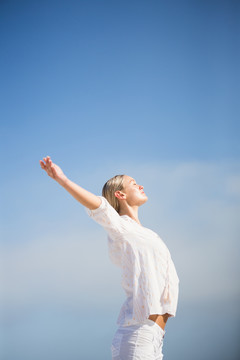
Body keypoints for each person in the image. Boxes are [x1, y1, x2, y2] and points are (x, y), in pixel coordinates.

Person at [39, 155, 179, 360]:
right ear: (120, 194)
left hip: (155, 337)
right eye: (133, 183)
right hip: (138, 335)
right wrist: (63, 180)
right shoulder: (121, 227)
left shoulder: (147, 233)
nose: (140, 185)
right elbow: (100, 207)